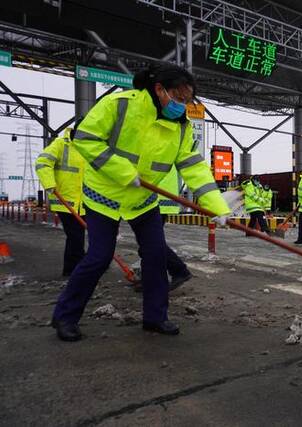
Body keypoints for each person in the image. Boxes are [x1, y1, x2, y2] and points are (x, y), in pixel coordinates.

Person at [51, 65, 230, 341]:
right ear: (159, 89)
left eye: (187, 100)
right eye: (178, 98)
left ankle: (155, 318)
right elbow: (85, 139)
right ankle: (64, 316)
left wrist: (217, 206)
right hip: (104, 196)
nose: (182, 105)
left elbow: (193, 166)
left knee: (156, 255)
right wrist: (123, 171)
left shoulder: (180, 127)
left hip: (143, 200)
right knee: (99, 257)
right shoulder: (119, 105)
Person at [131, 165, 193, 293]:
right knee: (147, 243)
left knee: (151, 242)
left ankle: (178, 270)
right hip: (158, 197)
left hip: (155, 198)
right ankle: (149, 279)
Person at [35, 128, 86, 276]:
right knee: (76, 236)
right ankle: (73, 270)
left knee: (90, 235)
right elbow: (42, 163)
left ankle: (87, 265)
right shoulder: (60, 144)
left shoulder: (88, 146)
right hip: (65, 201)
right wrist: (49, 184)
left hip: (85, 203)